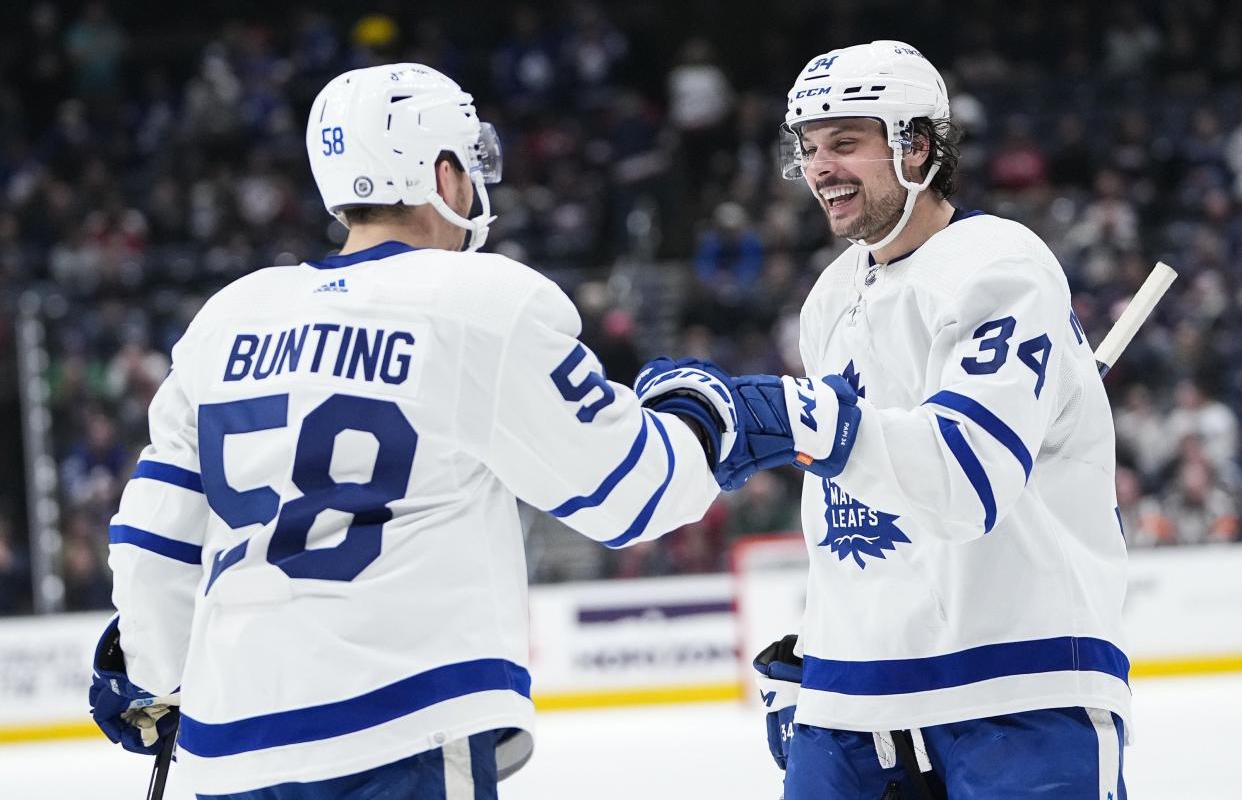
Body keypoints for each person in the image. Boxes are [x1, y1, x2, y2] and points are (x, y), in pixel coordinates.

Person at [87, 63, 730, 799]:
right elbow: (633, 495)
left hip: (234, 748)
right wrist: (705, 416)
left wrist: (155, 675)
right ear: (444, 173)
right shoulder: (478, 299)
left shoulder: (231, 314)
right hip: (403, 727)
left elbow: (151, 540)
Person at [637, 41, 1129, 798]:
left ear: (917, 145)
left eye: (844, 142)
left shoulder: (999, 265)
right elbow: (851, 495)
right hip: (857, 693)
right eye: (806, 148)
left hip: (1015, 684)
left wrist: (792, 416)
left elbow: (967, 481)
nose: (819, 167)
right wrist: (824, 645)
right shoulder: (831, 295)